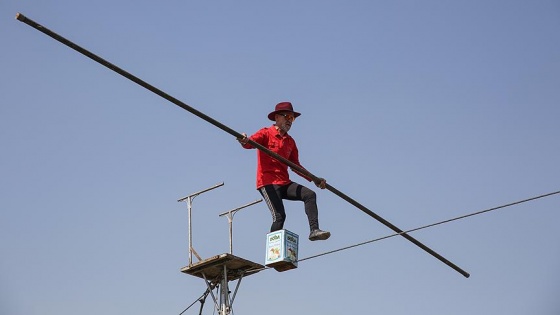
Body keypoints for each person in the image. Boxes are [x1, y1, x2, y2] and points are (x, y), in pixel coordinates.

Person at [238, 101, 331, 241]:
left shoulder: (290, 142)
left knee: (310, 195)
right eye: (287, 117)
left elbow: (296, 166)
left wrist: (315, 179)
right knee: (279, 216)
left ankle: (314, 230)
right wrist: (243, 140)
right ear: (277, 117)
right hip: (267, 182)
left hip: (283, 182)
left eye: (292, 118)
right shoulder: (266, 133)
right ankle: (273, 253)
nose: (290, 121)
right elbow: (250, 143)